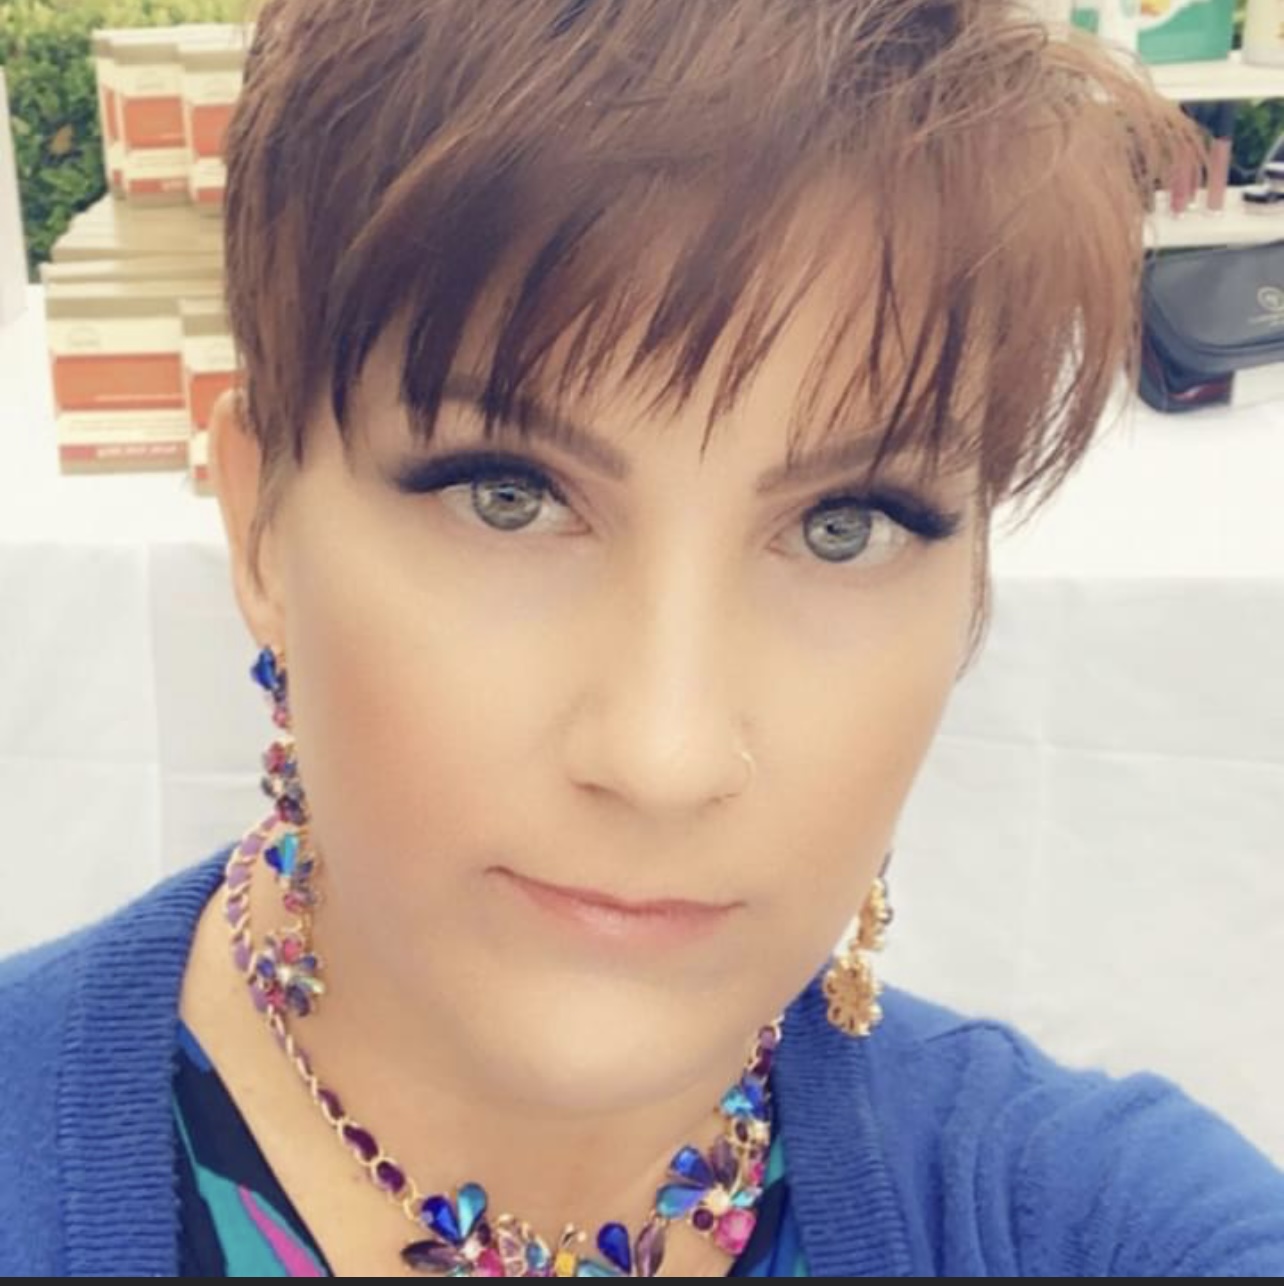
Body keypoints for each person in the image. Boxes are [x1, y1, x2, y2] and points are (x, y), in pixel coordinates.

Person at [2, 0, 1282, 1276]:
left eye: (844, 526)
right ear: (263, 528)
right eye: (508, 495)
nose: (665, 755)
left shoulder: (1099, 1217)